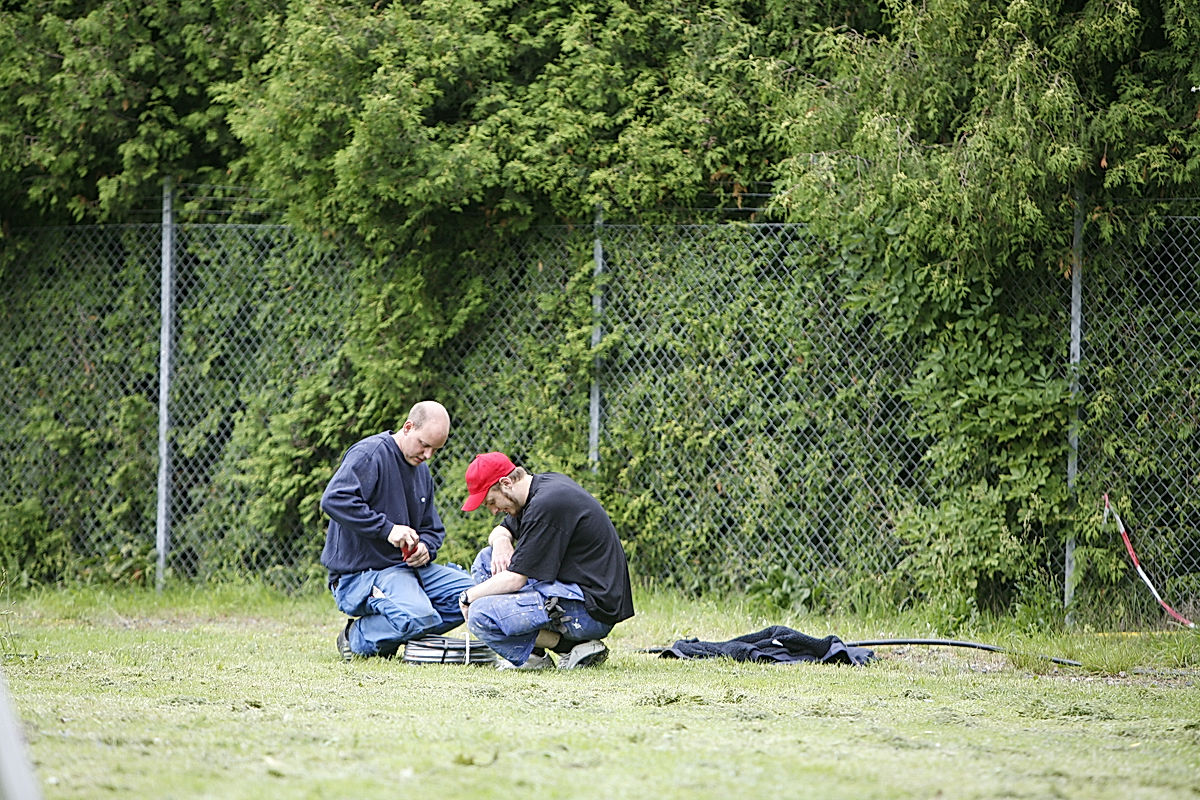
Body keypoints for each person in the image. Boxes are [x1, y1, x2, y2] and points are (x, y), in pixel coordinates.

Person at [320, 400, 475, 660]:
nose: (427, 455)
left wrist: (426, 547)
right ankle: (356, 636)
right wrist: (387, 529)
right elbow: (334, 499)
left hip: (409, 572)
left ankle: (403, 628)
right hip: (361, 575)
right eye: (424, 445)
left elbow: (433, 529)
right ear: (408, 427)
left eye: (435, 450)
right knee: (419, 615)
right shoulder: (370, 454)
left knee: (472, 597)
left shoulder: (421, 471)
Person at [457, 452, 635, 669]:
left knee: (480, 615)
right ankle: (535, 654)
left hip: (592, 609)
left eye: (492, 502)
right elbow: (500, 531)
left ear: (506, 483)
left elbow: (515, 580)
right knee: (486, 560)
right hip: (572, 590)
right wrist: (502, 539)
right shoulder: (538, 489)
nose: (494, 511)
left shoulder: (546, 504)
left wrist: (468, 597)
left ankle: (568, 648)